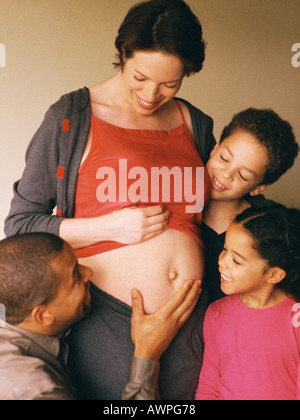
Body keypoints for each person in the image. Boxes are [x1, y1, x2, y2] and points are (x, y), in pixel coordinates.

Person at [4, 0, 214, 399]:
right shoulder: (71, 117)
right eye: (140, 77)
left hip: (191, 323)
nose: (151, 94)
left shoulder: (197, 124)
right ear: (123, 53)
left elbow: (216, 216)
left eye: (170, 83)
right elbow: (20, 225)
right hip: (108, 323)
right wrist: (110, 226)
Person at [0, 232, 201, 400]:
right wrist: (147, 353)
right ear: (43, 315)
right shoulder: (35, 391)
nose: (89, 271)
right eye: (75, 276)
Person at [195, 203, 300, 400]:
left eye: (236, 260)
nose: (222, 261)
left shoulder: (296, 319)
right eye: (225, 249)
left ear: (274, 274)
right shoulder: (216, 313)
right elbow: (208, 388)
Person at [202, 108, 299, 303]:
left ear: (259, 187)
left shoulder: (268, 231)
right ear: (215, 147)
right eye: (224, 158)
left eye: (243, 175)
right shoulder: (175, 198)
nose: (226, 174)